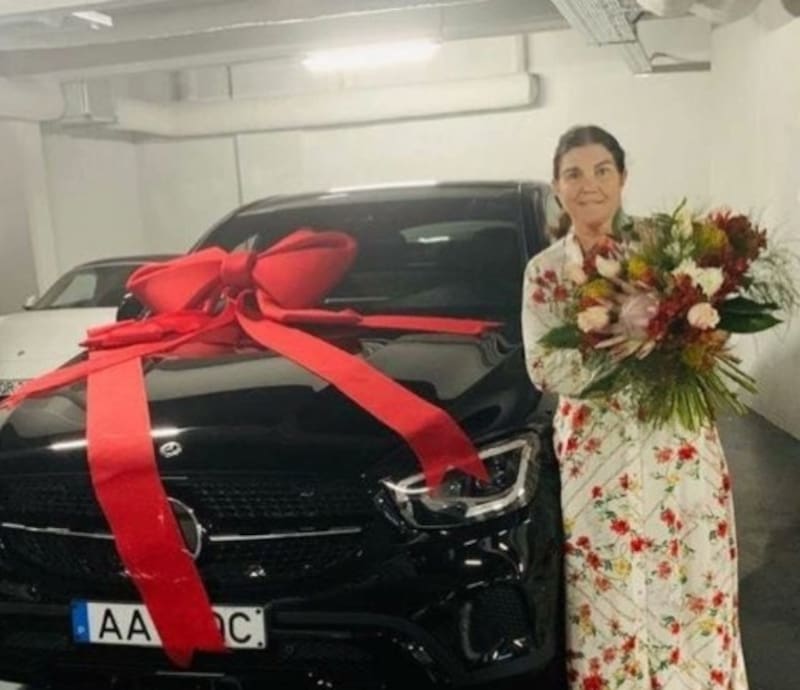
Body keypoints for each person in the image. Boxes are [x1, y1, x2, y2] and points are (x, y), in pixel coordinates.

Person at [522, 125, 748, 689]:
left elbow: (709, 334)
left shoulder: (665, 250)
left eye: (602, 170)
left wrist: (679, 342)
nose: (589, 185)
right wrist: (637, 351)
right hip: (596, 459)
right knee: (607, 585)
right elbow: (545, 368)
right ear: (557, 187)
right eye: (574, 173)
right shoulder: (545, 272)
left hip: (676, 444)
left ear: (623, 178)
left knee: (691, 577)